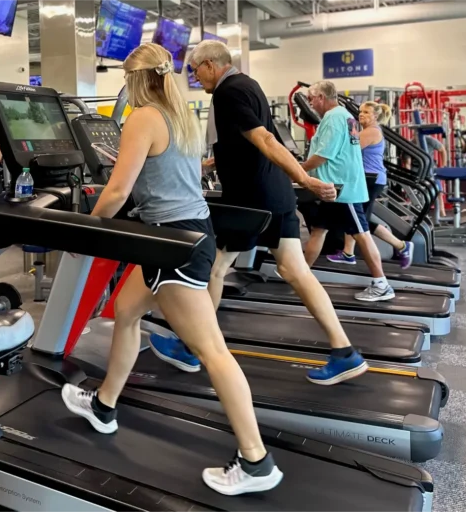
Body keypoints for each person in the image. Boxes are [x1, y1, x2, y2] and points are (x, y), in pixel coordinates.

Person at [60, 43, 284, 496]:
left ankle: (256, 460)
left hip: (172, 245)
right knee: (125, 312)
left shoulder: (143, 117)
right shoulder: (180, 114)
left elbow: (119, 190)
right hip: (185, 233)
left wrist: (82, 229)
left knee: (213, 353)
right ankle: (104, 405)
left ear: (135, 80)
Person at [150, 39, 368, 386]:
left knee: (216, 268)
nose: (195, 78)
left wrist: (306, 179)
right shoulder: (249, 84)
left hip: (251, 200)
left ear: (210, 64)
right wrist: (207, 162)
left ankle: (191, 347)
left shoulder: (227, 92)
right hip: (274, 193)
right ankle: (345, 351)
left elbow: (266, 139)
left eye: (195, 71)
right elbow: (245, 143)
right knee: (295, 271)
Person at [301, 81, 395, 303]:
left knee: (361, 233)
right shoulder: (344, 115)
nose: (310, 103)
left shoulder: (334, 118)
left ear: (322, 97)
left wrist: (298, 170)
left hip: (343, 189)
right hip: (331, 188)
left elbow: (324, 154)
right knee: (318, 230)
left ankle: (382, 284)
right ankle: (301, 274)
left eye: (311, 98)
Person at [326, 101, 414, 269]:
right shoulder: (367, 131)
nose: (361, 114)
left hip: (370, 179)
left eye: (366, 112)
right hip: (368, 178)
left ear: (375, 116)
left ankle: (398, 247)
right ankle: (350, 253)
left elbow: (348, 150)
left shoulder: (371, 132)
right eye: (360, 111)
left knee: (358, 218)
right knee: (360, 218)